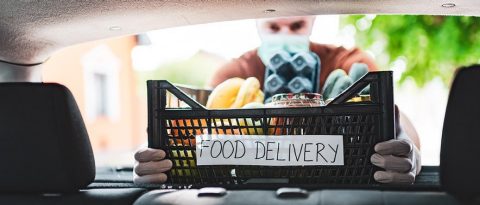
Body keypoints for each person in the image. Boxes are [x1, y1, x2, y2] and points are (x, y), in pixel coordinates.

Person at [134, 16, 421, 185]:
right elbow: (199, 129)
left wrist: (409, 148)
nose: (285, 35)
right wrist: (157, 151)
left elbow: (394, 115)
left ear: (312, 20)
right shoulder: (235, 73)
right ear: (258, 22)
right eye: (274, 26)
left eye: (296, 25)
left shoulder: (348, 61)